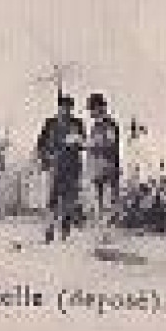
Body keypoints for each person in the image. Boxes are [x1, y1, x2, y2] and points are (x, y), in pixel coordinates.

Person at [34, 93, 86, 243]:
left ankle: (65, 232)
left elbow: (83, 143)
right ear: (59, 108)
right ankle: (49, 230)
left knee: (69, 200)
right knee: (52, 199)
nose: (66, 110)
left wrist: (75, 141)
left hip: (72, 167)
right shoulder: (50, 123)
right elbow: (40, 144)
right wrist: (45, 160)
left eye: (69, 108)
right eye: (63, 107)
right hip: (54, 166)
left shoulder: (77, 124)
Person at [86, 93, 122, 223]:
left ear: (100, 108)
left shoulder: (109, 125)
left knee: (109, 204)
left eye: (92, 109)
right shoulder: (95, 127)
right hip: (98, 170)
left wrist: (91, 145)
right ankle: (102, 232)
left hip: (108, 169)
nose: (91, 112)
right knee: (99, 205)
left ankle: (108, 233)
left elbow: (110, 144)